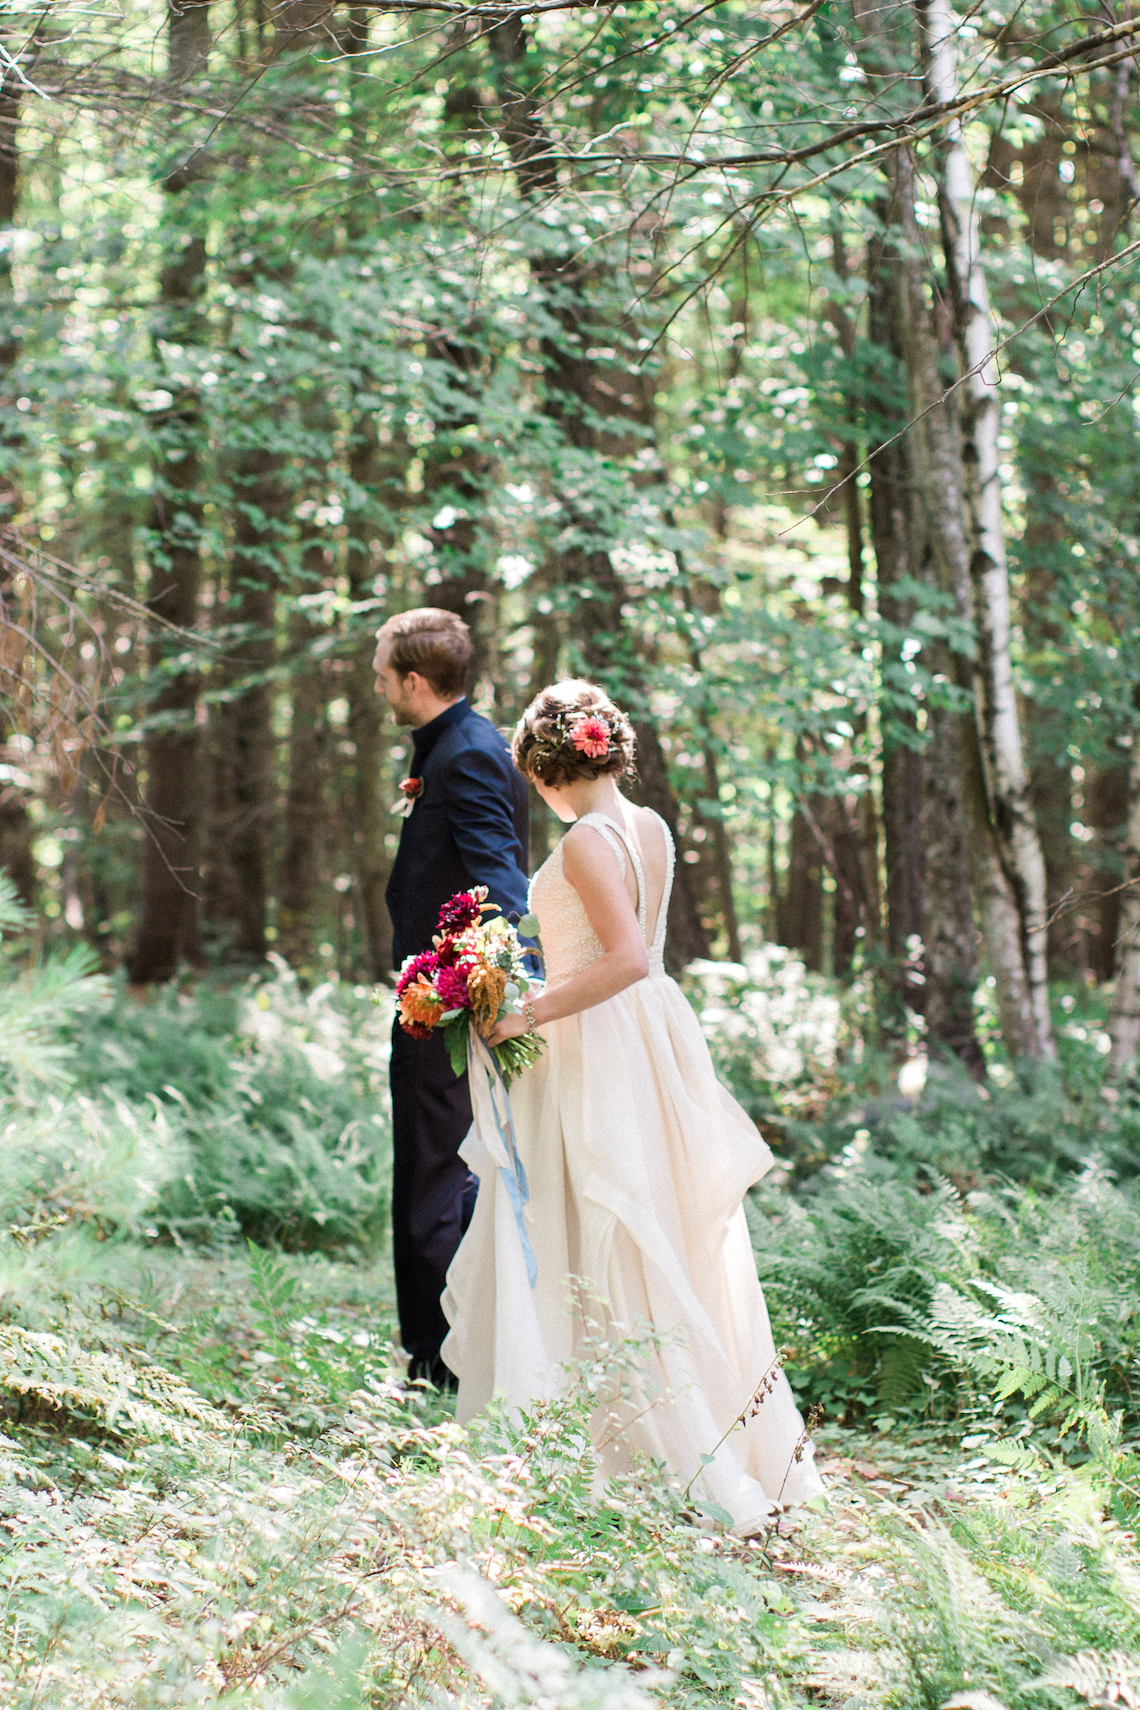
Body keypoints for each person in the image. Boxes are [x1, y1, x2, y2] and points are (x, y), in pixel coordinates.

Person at [441, 680, 822, 1530]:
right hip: (644, 1037)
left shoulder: (584, 842)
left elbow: (622, 959)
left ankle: (633, 1445)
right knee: (648, 1230)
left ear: (545, 767)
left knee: (607, 1228)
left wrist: (519, 1014)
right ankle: (640, 1426)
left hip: (603, 1044)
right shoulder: (649, 826)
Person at [376, 608, 529, 1387]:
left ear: (413, 679)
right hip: (431, 999)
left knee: (434, 1178)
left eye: (382, 672)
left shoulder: (468, 754)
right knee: (438, 1174)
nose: (377, 685)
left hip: (446, 1007)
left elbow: (502, 884)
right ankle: (448, 1350)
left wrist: (473, 994)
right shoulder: (454, 746)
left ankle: (440, 1361)